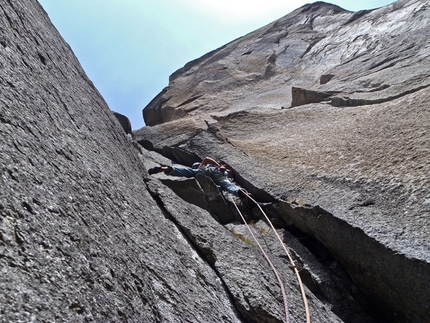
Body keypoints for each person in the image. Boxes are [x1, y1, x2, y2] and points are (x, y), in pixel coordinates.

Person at [148, 157, 247, 197]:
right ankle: (239, 192)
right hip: (219, 176)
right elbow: (231, 174)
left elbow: (207, 159)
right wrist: (222, 169)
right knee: (226, 183)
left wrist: (218, 166)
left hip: (207, 172)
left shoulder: (203, 166)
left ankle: (166, 168)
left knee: (187, 171)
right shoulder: (222, 169)